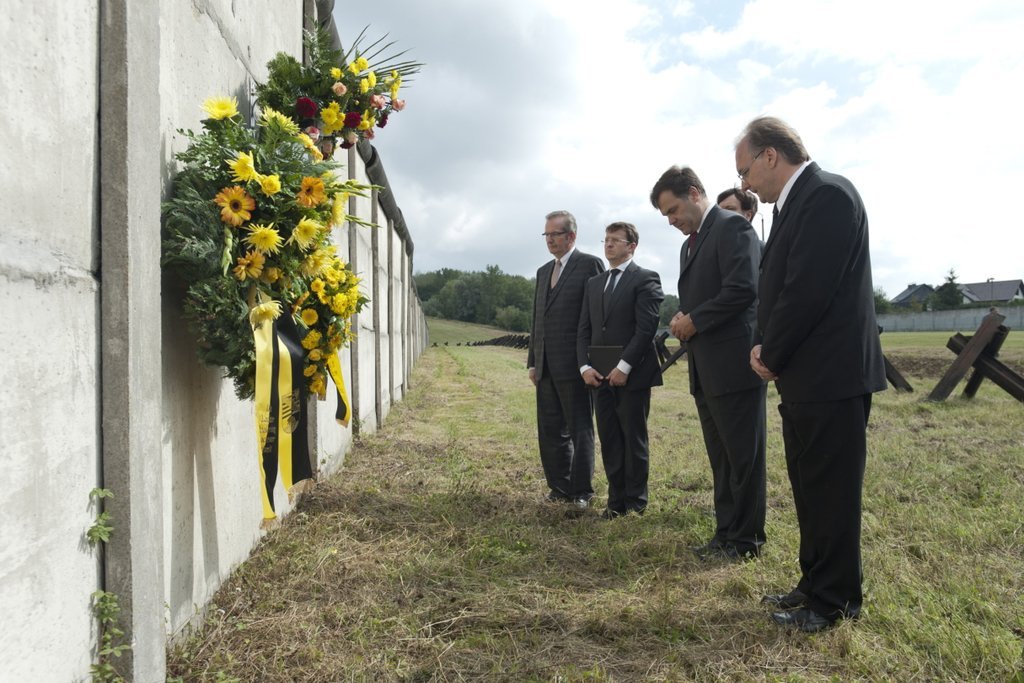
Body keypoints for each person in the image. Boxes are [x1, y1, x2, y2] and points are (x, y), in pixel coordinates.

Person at [736, 116, 886, 632]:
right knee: (809, 487)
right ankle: (814, 583)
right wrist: (767, 345)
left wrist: (771, 352)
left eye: (745, 171)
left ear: (770, 155)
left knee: (832, 493)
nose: (744, 184)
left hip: (831, 377)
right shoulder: (795, 204)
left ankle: (835, 601)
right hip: (807, 377)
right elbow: (779, 288)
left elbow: (807, 290)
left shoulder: (828, 195)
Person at [650, 167, 767, 560]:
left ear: (694, 193)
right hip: (705, 368)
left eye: (673, 210)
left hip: (735, 365)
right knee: (721, 459)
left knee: (744, 459)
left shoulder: (733, 228)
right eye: (665, 215)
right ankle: (725, 533)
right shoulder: (690, 245)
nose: (671, 220)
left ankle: (747, 541)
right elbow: (702, 296)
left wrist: (696, 319)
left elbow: (743, 289)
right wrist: (683, 316)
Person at [577, 222, 664, 518]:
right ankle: (615, 502)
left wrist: (624, 366)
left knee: (633, 438)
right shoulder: (594, 284)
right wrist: (584, 366)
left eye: (615, 240)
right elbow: (584, 329)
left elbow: (646, 328)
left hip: (632, 375)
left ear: (631, 246)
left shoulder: (646, 278)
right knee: (610, 439)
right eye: (606, 240)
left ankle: (635, 502)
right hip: (599, 375)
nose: (609, 244)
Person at [527, 210, 605, 510]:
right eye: (546, 234)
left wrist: (592, 361)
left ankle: (581, 490)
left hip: (576, 365)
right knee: (550, 429)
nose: (549, 240)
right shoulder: (543, 272)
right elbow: (537, 319)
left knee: (579, 428)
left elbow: (598, 315)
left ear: (571, 236)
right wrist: (533, 361)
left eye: (555, 234)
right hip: (546, 365)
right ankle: (559, 486)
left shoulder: (589, 265)